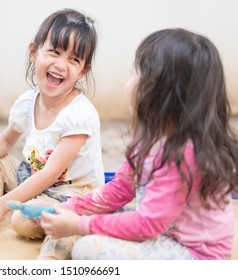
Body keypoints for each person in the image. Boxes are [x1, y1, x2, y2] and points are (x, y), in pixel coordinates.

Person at [40, 28, 238, 260]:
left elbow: (146, 224)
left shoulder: (182, 154)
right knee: (87, 225)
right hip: (161, 231)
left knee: (88, 248)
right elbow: (119, 190)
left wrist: (81, 225)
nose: (130, 80)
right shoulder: (150, 138)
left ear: (161, 92)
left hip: (196, 255)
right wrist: (70, 209)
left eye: (137, 72)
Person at [0, 8, 104, 259]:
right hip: (35, 182)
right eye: (54, 52)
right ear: (34, 52)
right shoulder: (27, 102)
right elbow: (5, 141)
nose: (60, 65)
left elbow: (51, 173)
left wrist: (3, 206)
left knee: (21, 221)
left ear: (83, 71)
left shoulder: (79, 115)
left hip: (73, 194)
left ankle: (55, 251)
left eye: (73, 60)